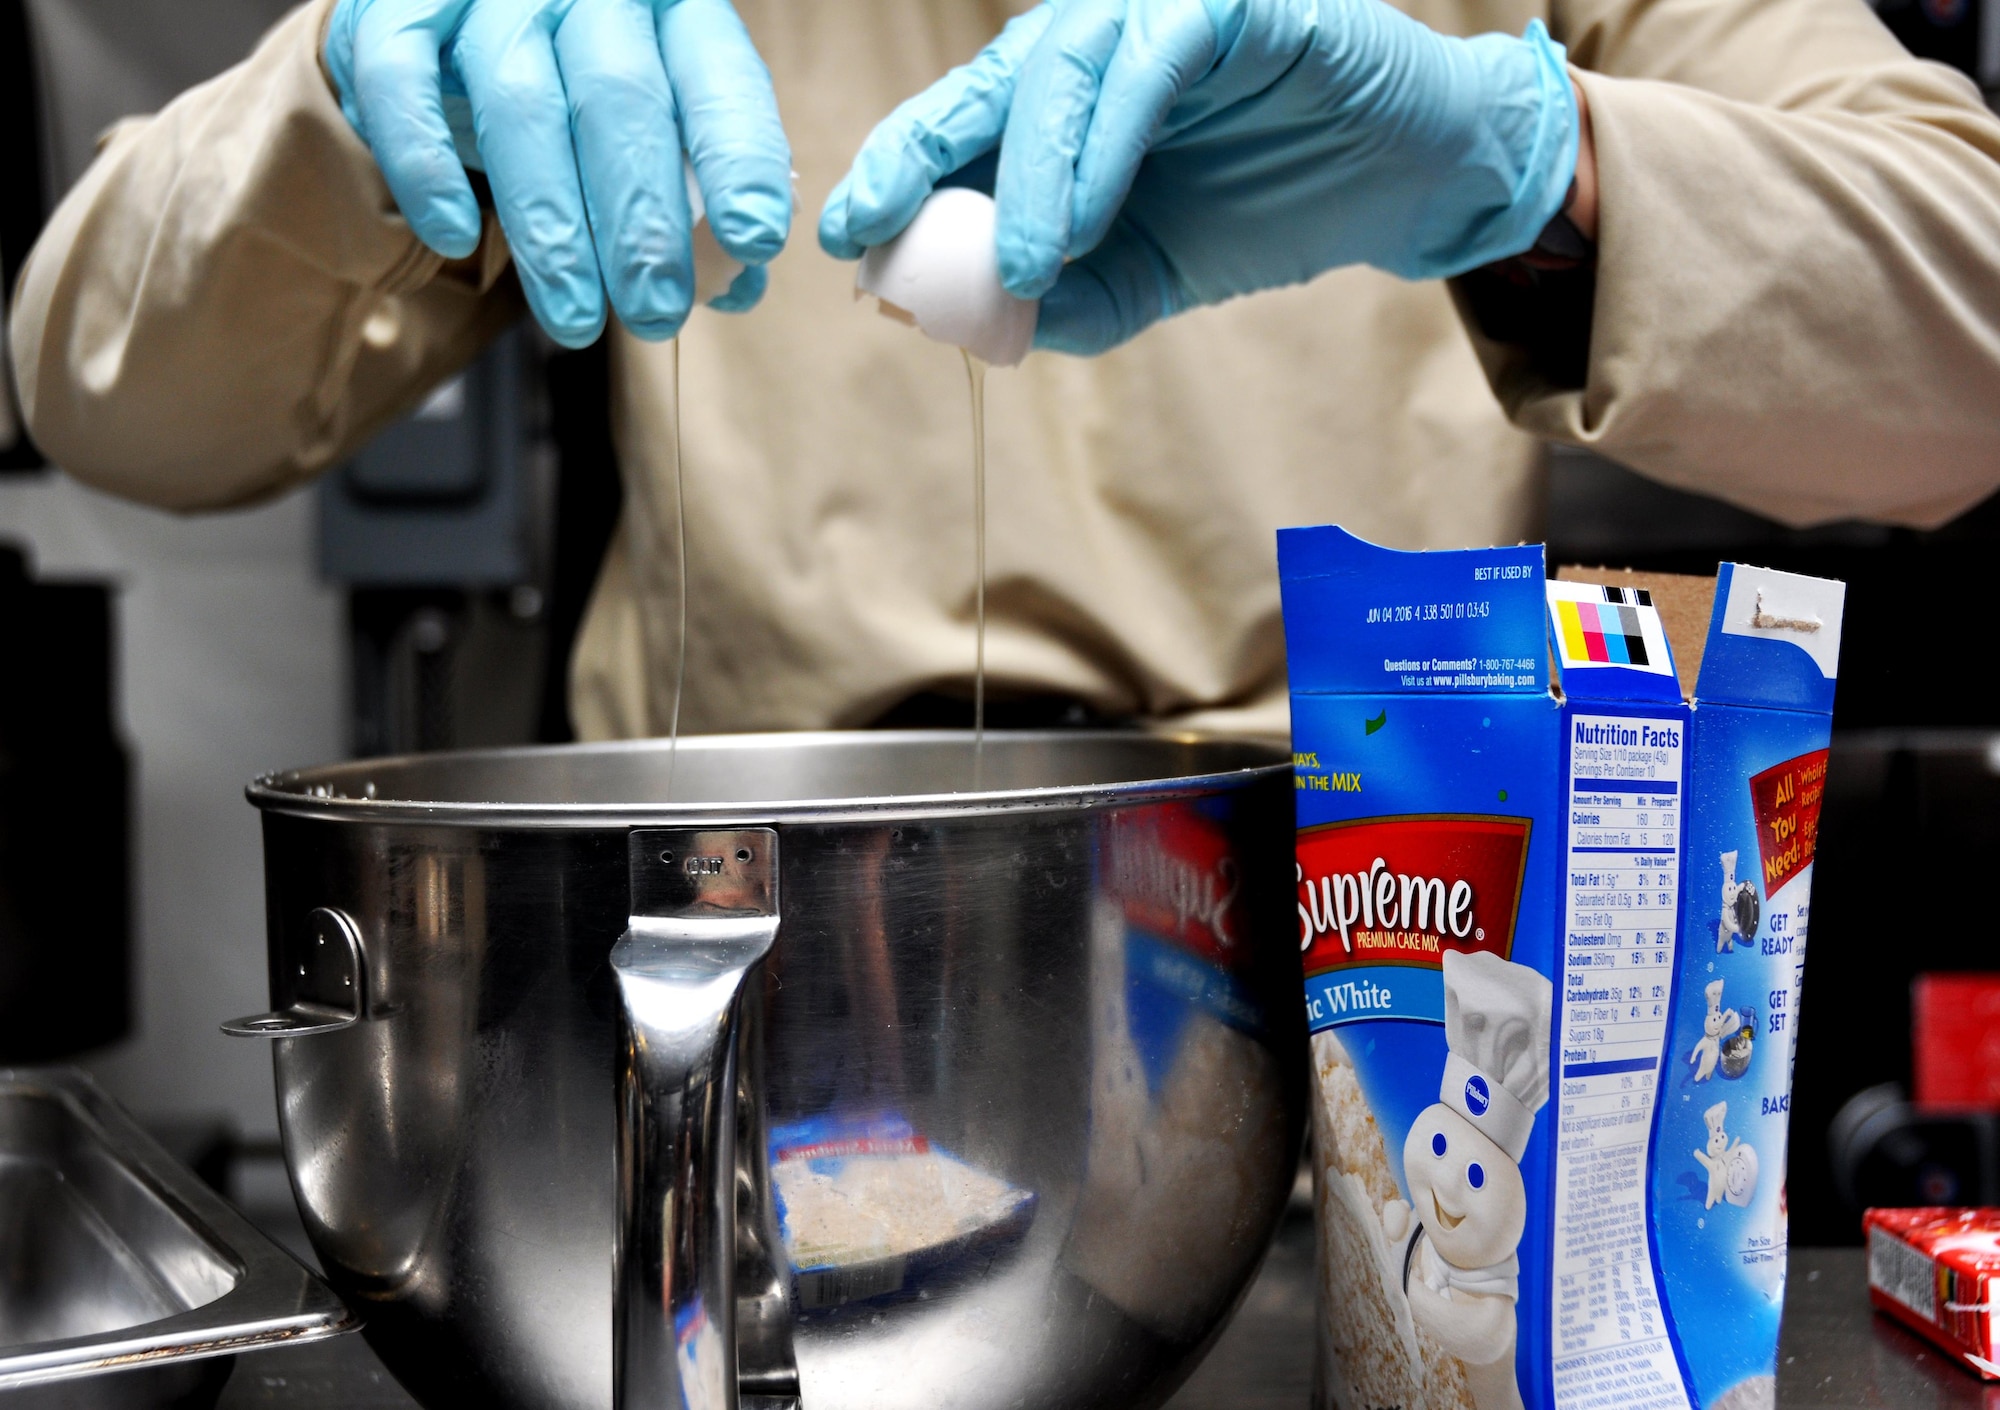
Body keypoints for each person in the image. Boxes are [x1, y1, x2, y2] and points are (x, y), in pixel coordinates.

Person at [10, 0, 2000, 744]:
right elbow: (113, 410)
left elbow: (1964, 363)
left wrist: (1541, 160)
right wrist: (354, 95)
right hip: (744, 975)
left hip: (1358, 996)